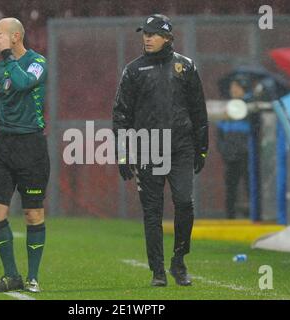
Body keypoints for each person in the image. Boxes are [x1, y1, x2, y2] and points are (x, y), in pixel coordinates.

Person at [112, 14, 208, 286]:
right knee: (152, 212)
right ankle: (157, 272)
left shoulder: (186, 67)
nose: (147, 38)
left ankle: (179, 261)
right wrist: (122, 153)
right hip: (148, 148)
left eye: (153, 34)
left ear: (168, 38)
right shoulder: (133, 70)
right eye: (145, 33)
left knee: (184, 203)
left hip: (181, 148)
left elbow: (199, 111)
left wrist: (202, 149)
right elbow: (121, 115)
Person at [0, 17, 49, 293]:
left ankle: (32, 277)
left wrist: (9, 58)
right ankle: (11, 275)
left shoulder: (38, 62)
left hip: (30, 146)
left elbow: (23, 83)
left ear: (15, 37)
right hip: (2, 146)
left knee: (33, 214)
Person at [216, 75, 253, 219]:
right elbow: (220, 131)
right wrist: (223, 148)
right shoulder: (229, 107)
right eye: (232, 87)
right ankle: (230, 216)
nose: (233, 90)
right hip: (230, 153)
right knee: (231, 187)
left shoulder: (250, 105)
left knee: (249, 184)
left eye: (236, 87)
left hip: (246, 152)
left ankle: (253, 215)